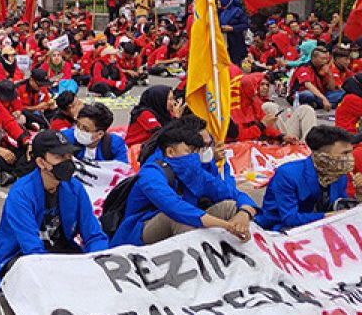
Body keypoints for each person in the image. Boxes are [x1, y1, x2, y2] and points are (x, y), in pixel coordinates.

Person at [0, 130, 108, 289]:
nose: (67, 162)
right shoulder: (21, 194)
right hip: (23, 256)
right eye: (58, 157)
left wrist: (96, 261)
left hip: (59, 252)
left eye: (68, 156)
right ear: (40, 162)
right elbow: (32, 249)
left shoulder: (75, 188)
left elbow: (94, 234)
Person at [110, 119, 258, 247]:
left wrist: (244, 214)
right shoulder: (152, 172)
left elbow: (231, 193)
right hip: (142, 230)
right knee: (179, 219)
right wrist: (227, 226)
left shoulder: (195, 170)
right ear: (170, 152)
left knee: (230, 206)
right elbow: (175, 208)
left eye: (199, 150)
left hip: (192, 217)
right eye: (190, 151)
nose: (198, 155)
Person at [257, 125, 357, 231]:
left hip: (319, 227)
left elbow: (340, 206)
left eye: (350, 152)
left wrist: (358, 195)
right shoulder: (287, 175)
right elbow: (289, 218)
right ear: (323, 156)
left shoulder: (339, 175)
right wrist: (329, 216)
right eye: (345, 153)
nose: (350, 158)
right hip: (280, 229)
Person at [63, 103, 128, 164]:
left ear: (100, 134)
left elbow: (122, 171)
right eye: (78, 125)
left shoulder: (114, 145)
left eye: (85, 129)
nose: (79, 130)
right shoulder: (66, 137)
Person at [217, 0, 250, 65]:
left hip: (235, 42)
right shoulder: (220, 12)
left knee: (235, 62)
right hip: (223, 40)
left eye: (219, 0)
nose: (218, 2)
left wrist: (232, 28)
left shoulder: (237, 12)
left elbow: (245, 25)